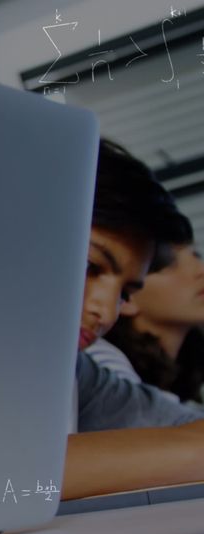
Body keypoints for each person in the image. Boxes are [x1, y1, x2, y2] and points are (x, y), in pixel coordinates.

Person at [64, 139, 204, 499]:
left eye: (125, 292)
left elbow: (181, 429)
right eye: (89, 266)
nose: (106, 312)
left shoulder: (77, 374)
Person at [88, 237, 204, 405]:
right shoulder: (102, 366)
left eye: (196, 255)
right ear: (126, 295)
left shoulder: (180, 389)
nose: (200, 270)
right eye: (169, 263)